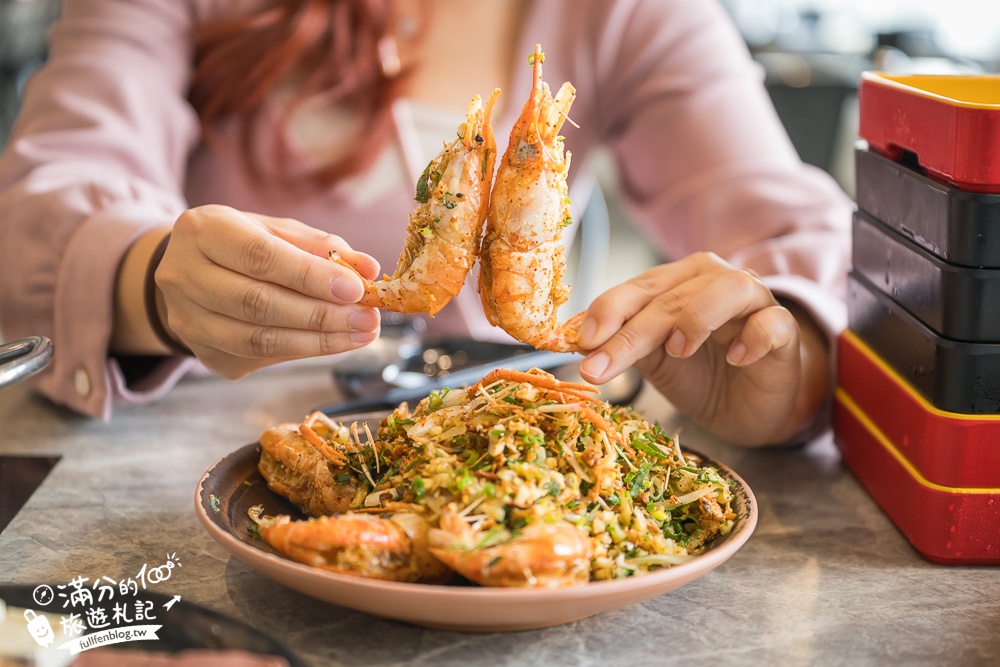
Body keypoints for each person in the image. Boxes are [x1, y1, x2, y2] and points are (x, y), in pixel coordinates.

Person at [0, 0, 852, 446]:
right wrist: (151, 281)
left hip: (498, 444)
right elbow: (50, 185)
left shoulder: (630, 10)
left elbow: (793, 227)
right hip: (199, 462)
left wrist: (787, 353)